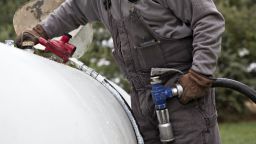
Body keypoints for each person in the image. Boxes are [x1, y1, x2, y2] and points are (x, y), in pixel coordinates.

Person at [16, 0, 225, 143]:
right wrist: (40, 32)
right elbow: (75, 9)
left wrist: (199, 75)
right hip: (142, 92)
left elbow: (208, 20)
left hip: (181, 89)